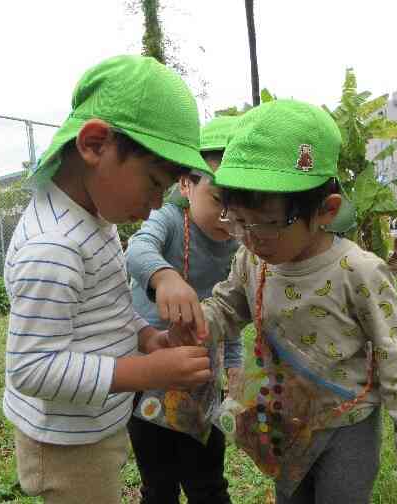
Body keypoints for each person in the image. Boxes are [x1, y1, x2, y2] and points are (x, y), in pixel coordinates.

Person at [176, 100, 397, 503]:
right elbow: (227, 307)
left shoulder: (358, 272)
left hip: (347, 426)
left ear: (326, 210)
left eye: (266, 224)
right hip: (284, 421)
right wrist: (191, 323)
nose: (250, 238)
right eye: (238, 222)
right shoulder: (253, 259)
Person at [2, 54, 214, 504]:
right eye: (154, 183)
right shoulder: (54, 245)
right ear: (96, 145)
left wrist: (145, 338)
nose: (157, 204)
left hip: (91, 426)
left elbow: (103, 308)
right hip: (65, 445)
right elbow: (32, 367)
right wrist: (147, 372)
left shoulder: (92, 214)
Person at [125, 115, 242, 504]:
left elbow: (232, 309)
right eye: (219, 200)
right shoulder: (170, 218)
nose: (229, 216)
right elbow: (137, 250)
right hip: (147, 375)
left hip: (200, 378)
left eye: (239, 204)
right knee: (158, 484)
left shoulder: (237, 244)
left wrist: (235, 363)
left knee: (207, 481)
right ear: (187, 185)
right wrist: (166, 276)